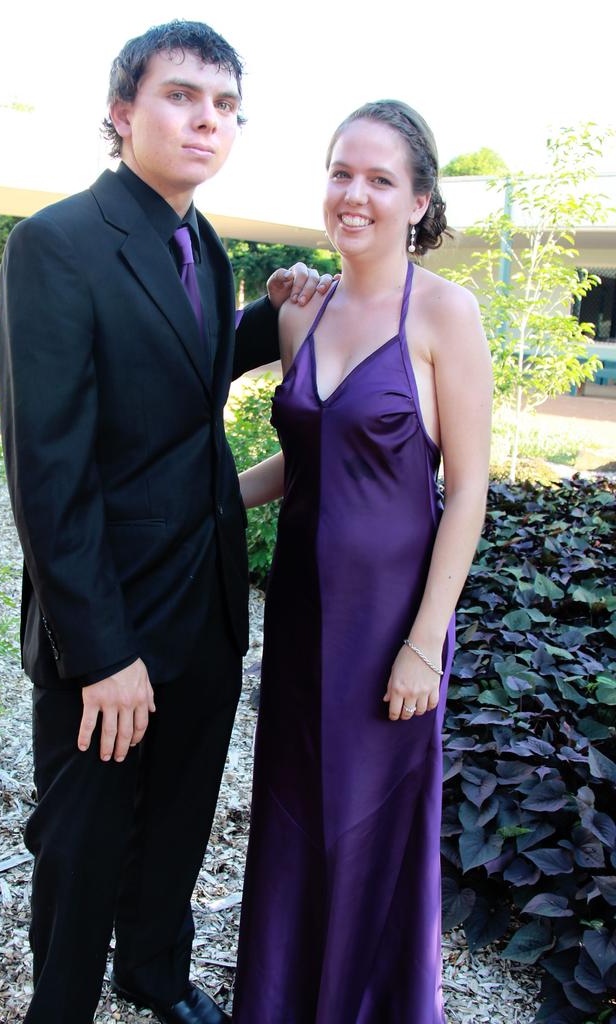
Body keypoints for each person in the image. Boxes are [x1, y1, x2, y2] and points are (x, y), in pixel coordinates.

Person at [0, 20, 331, 1024]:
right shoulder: (54, 244)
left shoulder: (201, 239)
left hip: (208, 596)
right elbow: (47, 471)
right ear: (122, 111)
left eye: (225, 106)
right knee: (85, 834)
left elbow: (177, 374)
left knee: (181, 816)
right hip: (108, 617)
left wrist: (275, 319)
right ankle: (59, 1005)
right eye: (184, 96)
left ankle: (153, 973)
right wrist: (100, 654)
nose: (207, 120)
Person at [232, 100, 493, 1023]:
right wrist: (202, 498)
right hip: (302, 616)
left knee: (374, 833)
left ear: (420, 200)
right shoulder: (309, 304)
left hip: (392, 628)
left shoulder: (447, 313)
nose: (355, 194)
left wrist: (426, 643)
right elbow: (307, 462)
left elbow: (466, 491)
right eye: (342, 172)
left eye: (381, 179)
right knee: (298, 818)